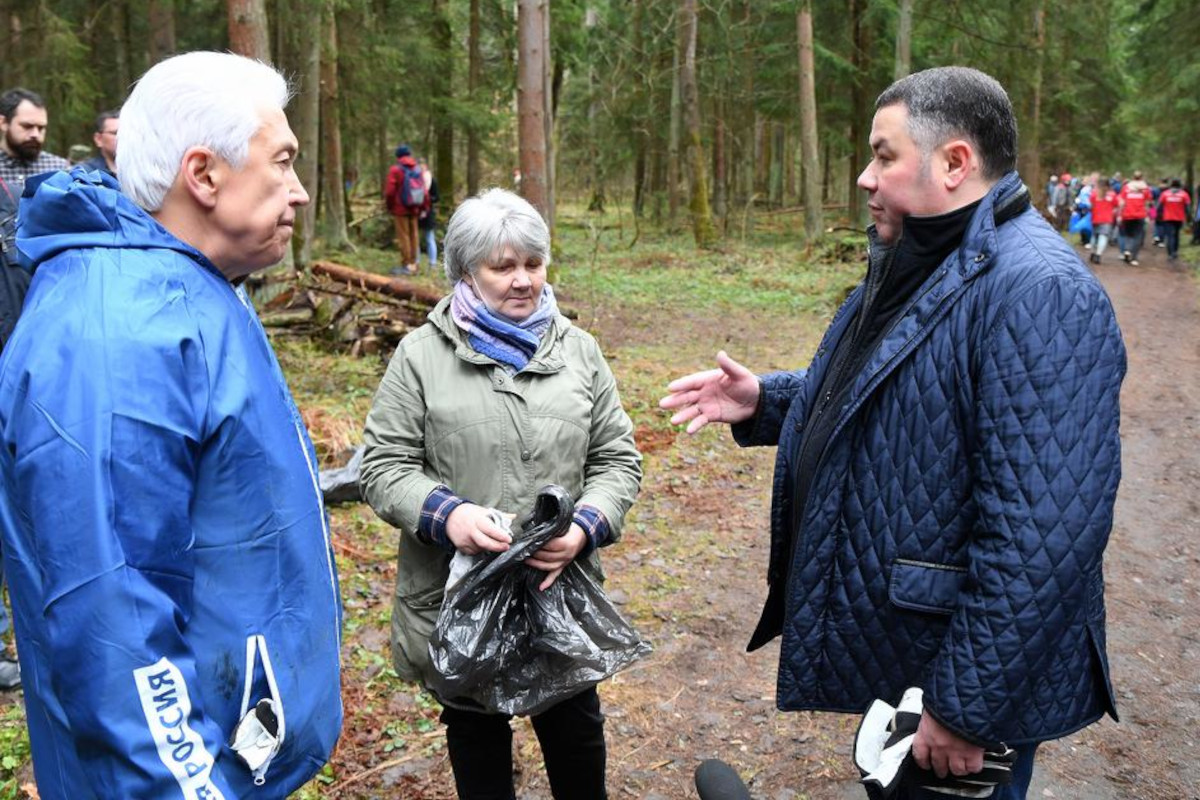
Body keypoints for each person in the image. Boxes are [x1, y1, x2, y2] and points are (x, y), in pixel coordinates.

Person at [661, 67, 1125, 800]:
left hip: (959, 684)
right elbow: (905, 401)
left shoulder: (1039, 291)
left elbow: (1046, 534)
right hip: (916, 662)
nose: (862, 176)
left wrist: (967, 706)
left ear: (953, 163)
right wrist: (767, 403)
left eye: (883, 155)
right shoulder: (931, 258)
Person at [0, 51, 343, 799]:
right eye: (281, 163)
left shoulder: (179, 286)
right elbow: (111, 612)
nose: (301, 192)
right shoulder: (116, 336)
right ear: (204, 174)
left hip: (226, 748)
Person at [359, 188, 642, 800]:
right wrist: (448, 514)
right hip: (459, 598)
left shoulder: (580, 354)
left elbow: (616, 459)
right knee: (476, 735)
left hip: (556, 593)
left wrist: (584, 527)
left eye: (533, 264)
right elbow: (383, 464)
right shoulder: (421, 357)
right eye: (503, 267)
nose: (523, 281)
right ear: (466, 271)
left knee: (575, 730)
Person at [0, 88, 69, 193]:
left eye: (41, 128)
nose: (35, 134)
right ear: (3, 123)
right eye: (27, 126)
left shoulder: (59, 168)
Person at [384, 143, 425, 274]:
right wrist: (423, 207)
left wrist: (389, 206)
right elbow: (424, 191)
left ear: (398, 156)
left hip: (400, 209)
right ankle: (414, 264)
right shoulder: (417, 169)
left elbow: (390, 191)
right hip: (415, 207)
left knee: (404, 236)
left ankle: (406, 265)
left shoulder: (395, 170)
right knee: (414, 235)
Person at [1117, 169, 1151, 265]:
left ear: (1133, 177)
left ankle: (1127, 250)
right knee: (1137, 235)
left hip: (1127, 214)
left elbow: (1121, 202)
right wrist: (1148, 215)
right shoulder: (1145, 189)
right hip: (1140, 215)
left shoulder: (1126, 187)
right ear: (1142, 177)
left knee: (1128, 234)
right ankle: (1134, 258)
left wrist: (1120, 214)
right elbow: (1147, 203)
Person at [1157, 178, 1191, 261]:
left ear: (1171, 185)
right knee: (1176, 234)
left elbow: (1159, 207)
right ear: (1179, 185)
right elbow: (1187, 208)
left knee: (1170, 236)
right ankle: (1175, 251)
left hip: (1168, 218)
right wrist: (1188, 217)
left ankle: (1170, 253)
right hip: (1179, 218)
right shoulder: (1184, 194)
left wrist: (1159, 215)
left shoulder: (1165, 194)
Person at [417, 156, 440, 270]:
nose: (420, 167)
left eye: (422, 165)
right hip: (416, 212)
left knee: (429, 238)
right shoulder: (415, 180)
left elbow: (437, 197)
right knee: (415, 238)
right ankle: (416, 261)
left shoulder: (432, 180)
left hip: (428, 212)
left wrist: (428, 199)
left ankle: (433, 263)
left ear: (426, 166)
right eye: (419, 165)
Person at [1089, 177, 1119, 264]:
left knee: (1094, 236)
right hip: (1107, 219)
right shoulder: (1112, 195)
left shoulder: (1094, 194)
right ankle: (1098, 255)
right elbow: (1116, 206)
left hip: (1095, 218)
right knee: (1103, 236)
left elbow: (1091, 206)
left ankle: (1092, 252)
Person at [81, 109, 119, 177]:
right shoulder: (85, 174)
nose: (121, 137)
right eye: (115, 133)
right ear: (99, 139)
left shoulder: (140, 171)